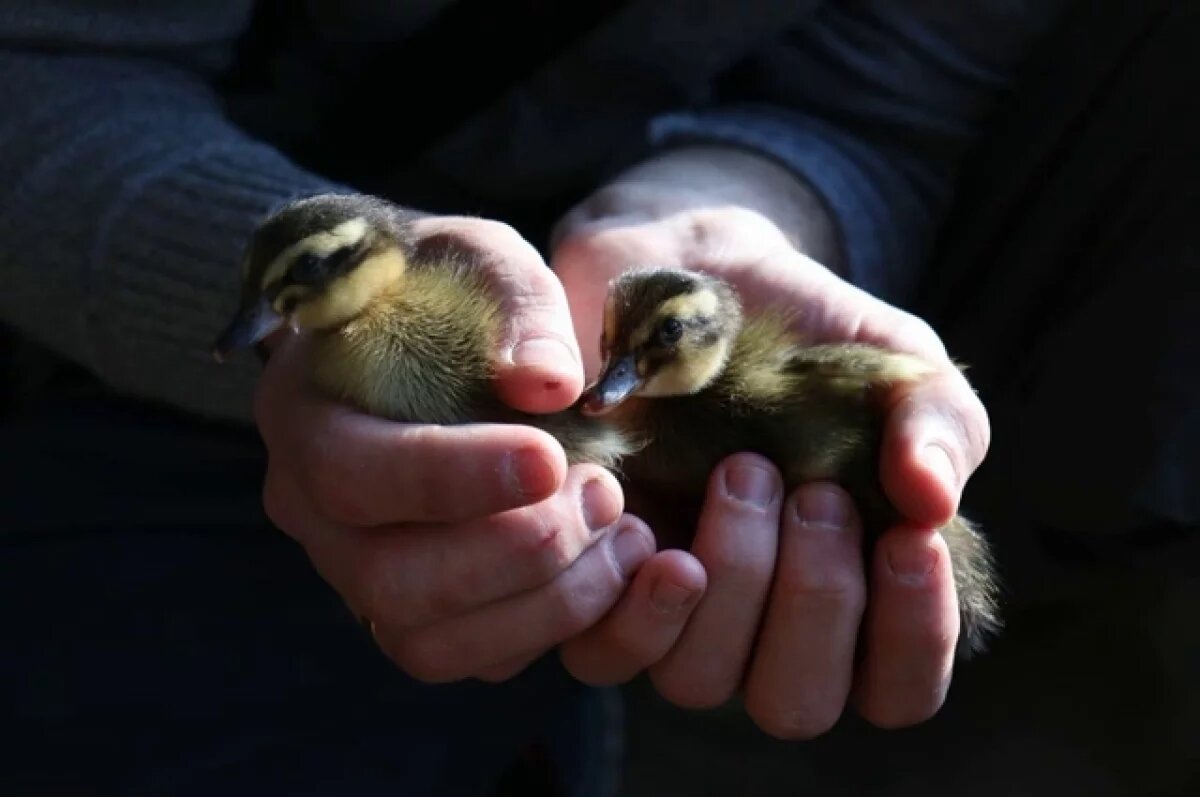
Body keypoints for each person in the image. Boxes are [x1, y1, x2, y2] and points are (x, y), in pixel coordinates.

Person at [1, 1, 1197, 796]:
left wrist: (733, 207)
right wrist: (253, 299)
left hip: (595, 430)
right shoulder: (366, 315)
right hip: (126, 365)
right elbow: (43, 62)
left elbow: (885, 97)